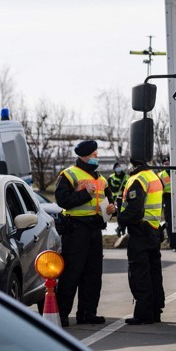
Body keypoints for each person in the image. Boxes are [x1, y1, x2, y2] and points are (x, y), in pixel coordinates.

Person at [54, 140, 115, 328]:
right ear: (84, 156)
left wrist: (113, 209)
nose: (97, 158)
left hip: (95, 230)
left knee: (93, 274)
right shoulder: (69, 175)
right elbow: (62, 200)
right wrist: (85, 195)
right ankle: (62, 315)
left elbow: (109, 200)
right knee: (71, 274)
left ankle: (88, 313)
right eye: (95, 155)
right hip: (76, 230)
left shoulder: (101, 179)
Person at [117, 157, 165, 325]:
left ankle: (143, 314)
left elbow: (135, 210)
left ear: (133, 164)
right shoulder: (154, 176)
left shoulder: (138, 179)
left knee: (139, 273)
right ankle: (155, 311)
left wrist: (121, 218)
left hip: (140, 231)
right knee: (153, 272)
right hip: (153, 229)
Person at [159, 157, 176, 251]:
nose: (167, 165)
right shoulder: (160, 175)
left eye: (168, 163)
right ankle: (173, 245)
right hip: (167, 198)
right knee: (170, 222)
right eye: (165, 164)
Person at [107, 162, 129, 238]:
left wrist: (124, 187)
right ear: (114, 169)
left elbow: (128, 185)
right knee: (119, 214)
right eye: (117, 167)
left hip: (125, 199)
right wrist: (119, 186)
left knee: (125, 214)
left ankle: (121, 228)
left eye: (119, 167)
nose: (118, 168)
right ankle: (120, 228)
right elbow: (111, 188)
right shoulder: (111, 177)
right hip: (117, 199)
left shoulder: (126, 177)